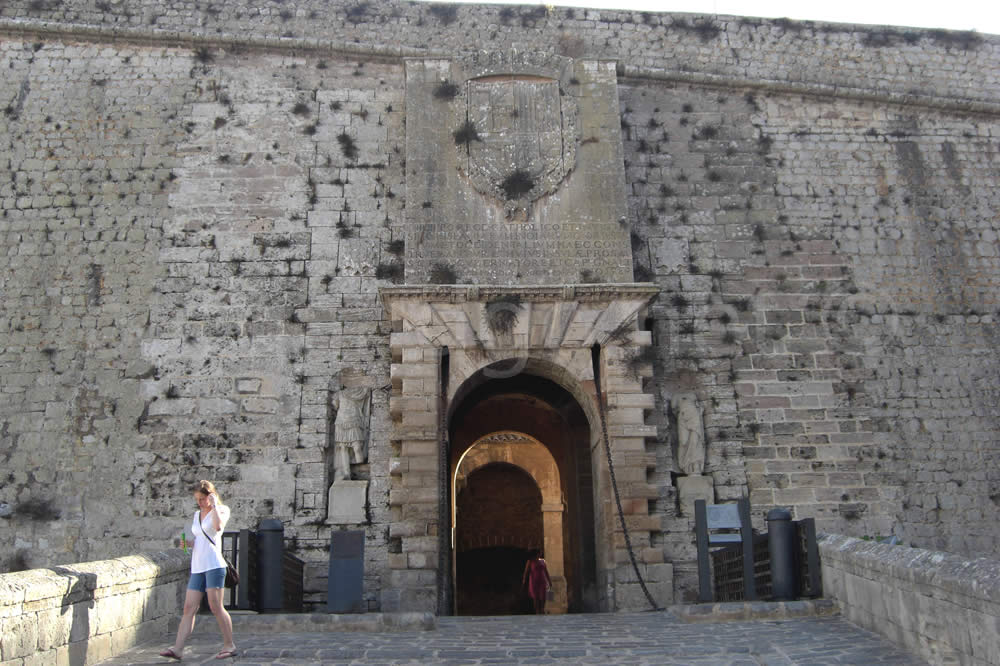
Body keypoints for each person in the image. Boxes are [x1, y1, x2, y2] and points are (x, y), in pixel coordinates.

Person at [160, 480, 236, 661]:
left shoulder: (222, 510)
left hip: (214, 565)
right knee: (189, 608)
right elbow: (200, 538)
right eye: (198, 499)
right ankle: (178, 648)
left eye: (203, 499)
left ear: (210, 495)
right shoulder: (196, 515)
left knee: (216, 607)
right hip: (198, 566)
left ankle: (229, 644)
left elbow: (217, 528)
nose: (200, 502)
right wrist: (189, 544)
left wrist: (215, 505)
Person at [522, 549, 553, 615]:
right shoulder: (530, 561)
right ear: (536, 553)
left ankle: (542, 609)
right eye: (539, 553)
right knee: (535, 597)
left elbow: (546, 571)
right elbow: (526, 572)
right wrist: (524, 580)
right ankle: (537, 611)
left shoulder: (543, 561)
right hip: (534, 581)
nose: (540, 554)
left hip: (542, 580)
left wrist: (549, 580)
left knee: (543, 596)